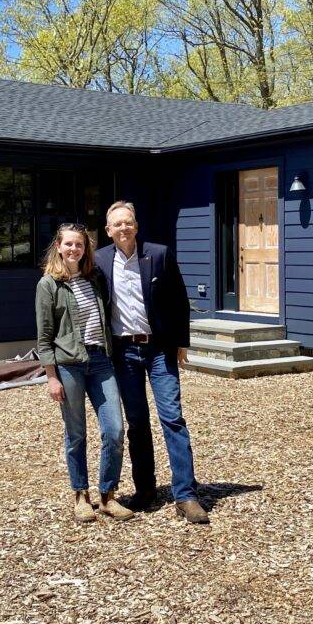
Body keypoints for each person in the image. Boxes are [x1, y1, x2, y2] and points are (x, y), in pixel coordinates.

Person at [95, 201, 209, 524]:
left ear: (136, 225)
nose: (123, 228)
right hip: (124, 352)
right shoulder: (101, 260)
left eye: (128, 222)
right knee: (137, 422)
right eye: (117, 224)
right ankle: (146, 490)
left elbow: (178, 298)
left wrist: (181, 342)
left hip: (158, 349)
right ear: (108, 231)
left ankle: (185, 495)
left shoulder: (158, 254)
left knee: (172, 418)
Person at [36, 223, 134, 523]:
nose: (74, 249)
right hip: (69, 365)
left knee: (115, 430)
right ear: (59, 246)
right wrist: (51, 377)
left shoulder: (94, 278)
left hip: (100, 361)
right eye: (69, 244)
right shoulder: (49, 284)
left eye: (79, 245)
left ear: (85, 248)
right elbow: (44, 336)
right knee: (76, 434)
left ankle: (107, 495)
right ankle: (80, 494)